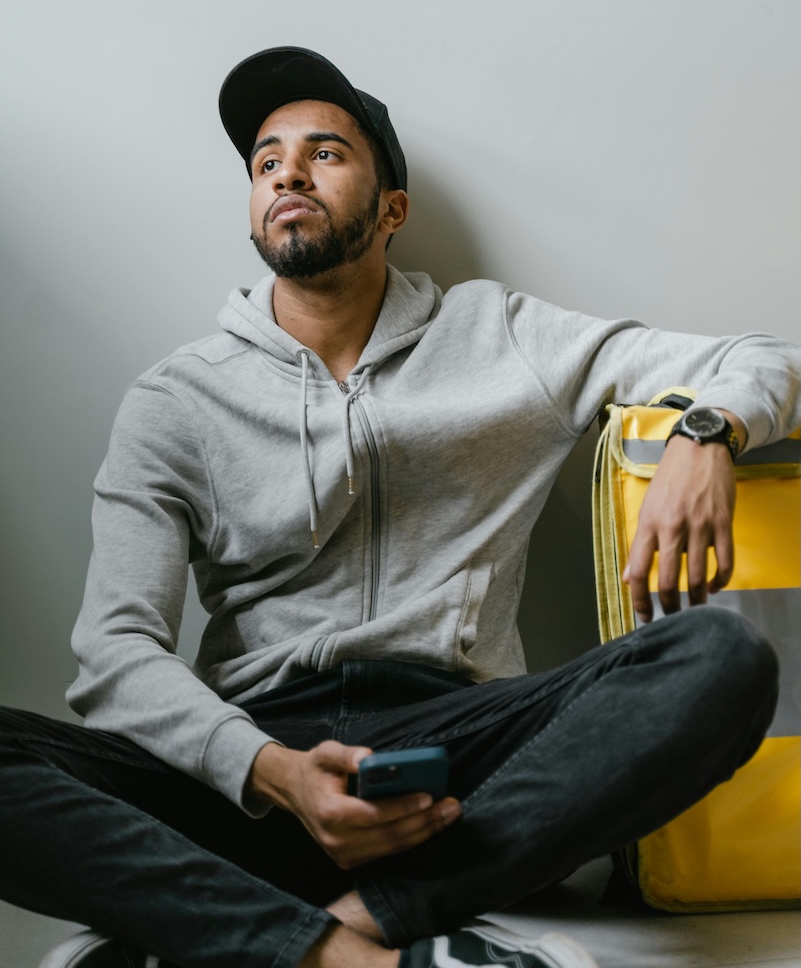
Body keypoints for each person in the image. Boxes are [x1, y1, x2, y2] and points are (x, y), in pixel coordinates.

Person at [1, 47, 797, 968]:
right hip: (249, 769)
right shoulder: (175, 399)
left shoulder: (501, 336)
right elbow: (114, 651)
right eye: (266, 162)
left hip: (453, 762)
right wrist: (271, 772)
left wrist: (705, 433)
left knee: (722, 658)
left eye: (324, 152)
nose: (287, 173)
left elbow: (766, 357)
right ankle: (356, 956)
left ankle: (319, 926)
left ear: (391, 211)